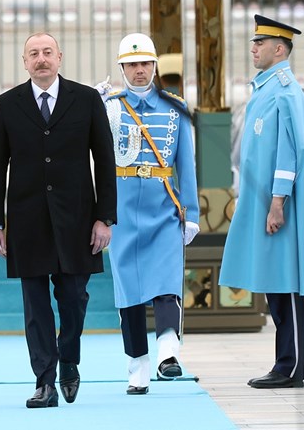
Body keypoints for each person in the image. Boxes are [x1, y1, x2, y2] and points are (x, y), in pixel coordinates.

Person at [0, 33, 117, 408]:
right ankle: (44, 380)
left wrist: (104, 218)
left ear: (59, 57)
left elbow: (105, 161)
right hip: (26, 221)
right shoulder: (7, 104)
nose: (41, 60)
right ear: (24, 62)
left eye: (47, 53)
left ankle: (69, 361)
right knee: (35, 305)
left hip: (77, 219)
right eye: (33, 54)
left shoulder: (86, 99)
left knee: (74, 297)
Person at [219, 14, 304, 388]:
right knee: (275, 284)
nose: (253, 48)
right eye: (253, 42)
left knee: (287, 284)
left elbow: (289, 152)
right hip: (263, 200)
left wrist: (278, 201)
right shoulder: (265, 89)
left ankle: (291, 368)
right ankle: (283, 364)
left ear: (279, 49)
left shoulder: (284, 89)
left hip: (280, 205)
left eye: (260, 43)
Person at [103, 33, 199, 395]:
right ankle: (137, 365)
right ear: (122, 69)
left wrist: (190, 213)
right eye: (131, 65)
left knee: (166, 281)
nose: (139, 70)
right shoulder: (109, 107)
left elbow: (186, 165)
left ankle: (167, 351)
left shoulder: (175, 107)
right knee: (127, 291)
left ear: (155, 66)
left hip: (162, 209)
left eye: (145, 63)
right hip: (122, 211)